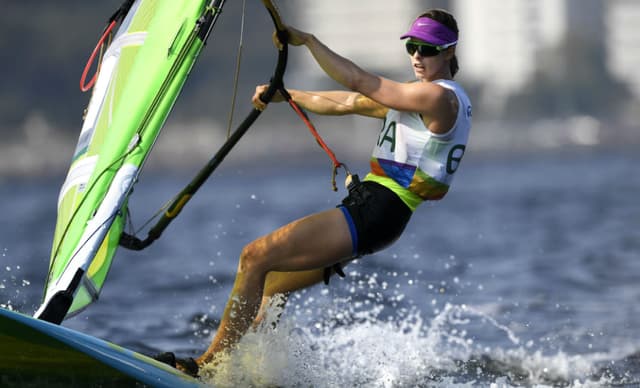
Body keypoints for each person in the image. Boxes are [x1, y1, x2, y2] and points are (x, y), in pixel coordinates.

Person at [160, 8, 472, 376]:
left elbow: (359, 81)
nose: (418, 56)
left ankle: (205, 367)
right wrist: (287, 94)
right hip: (378, 212)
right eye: (412, 48)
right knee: (272, 283)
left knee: (253, 257)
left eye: (428, 49)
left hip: (379, 210)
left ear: (450, 52)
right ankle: (257, 372)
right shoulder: (417, 97)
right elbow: (349, 102)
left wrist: (309, 41)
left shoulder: (439, 99)